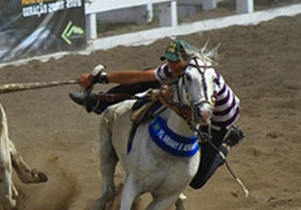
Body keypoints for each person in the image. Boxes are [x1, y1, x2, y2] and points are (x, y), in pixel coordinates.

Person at [70, 39, 243, 189]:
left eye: (175, 62)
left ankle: (225, 146)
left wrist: (166, 100)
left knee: (197, 181)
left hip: (217, 120)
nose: (170, 65)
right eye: (169, 61)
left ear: (185, 63)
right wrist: (100, 79)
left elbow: (199, 118)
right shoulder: (177, 70)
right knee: (149, 77)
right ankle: (99, 101)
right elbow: (137, 77)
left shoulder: (205, 80)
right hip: (192, 103)